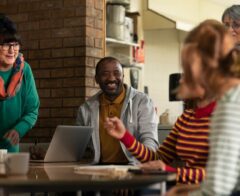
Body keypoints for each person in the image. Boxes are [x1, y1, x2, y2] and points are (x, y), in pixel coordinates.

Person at [165, 19, 240, 196]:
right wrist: (186, 189)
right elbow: (231, 179)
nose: (183, 77)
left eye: (186, 67)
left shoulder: (228, 106)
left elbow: (217, 190)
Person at [105, 73, 216, 184]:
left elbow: (220, 176)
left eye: (187, 74)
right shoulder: (186, 118)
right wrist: (125, 136)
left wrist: (171, 172)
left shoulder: (223, 118)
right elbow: (158, 158)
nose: (180, 80)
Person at [76, 56, 159, 165]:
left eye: (116, 73)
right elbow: (80, 147)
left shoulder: (142, 102)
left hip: (133, 167)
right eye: (105, 73)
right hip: (99, 170)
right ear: (96, 79)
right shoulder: (85, 109)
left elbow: (150, 141)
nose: (111, 78)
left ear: (123, 76)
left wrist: (142, 164)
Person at [0, 14, 39, 152]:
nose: (12, 50)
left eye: (15, 44)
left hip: (10, 151)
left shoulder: (24, 69)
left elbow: (32, 110)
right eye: (5, 44)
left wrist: (18, 130)